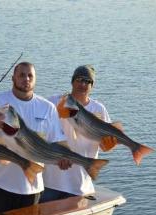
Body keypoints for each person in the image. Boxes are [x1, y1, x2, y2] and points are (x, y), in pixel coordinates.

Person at [0, 62, 70, 215]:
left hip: (30, 189)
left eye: (30, 75)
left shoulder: (47, 108)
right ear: (13, 78)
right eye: (22, 75)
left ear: (35, 79)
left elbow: (57, 143)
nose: (26, 79)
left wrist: (65, 159)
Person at [41, 65, 116, 202]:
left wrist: (110, 144)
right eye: (79, 79)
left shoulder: (98, 109)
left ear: (92, 85)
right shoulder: (52, 102)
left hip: (80, 186)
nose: (83, 84)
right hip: (50, 183)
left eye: (87, 81)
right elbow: (37, 129)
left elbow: (105, 147)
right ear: (72, 81)